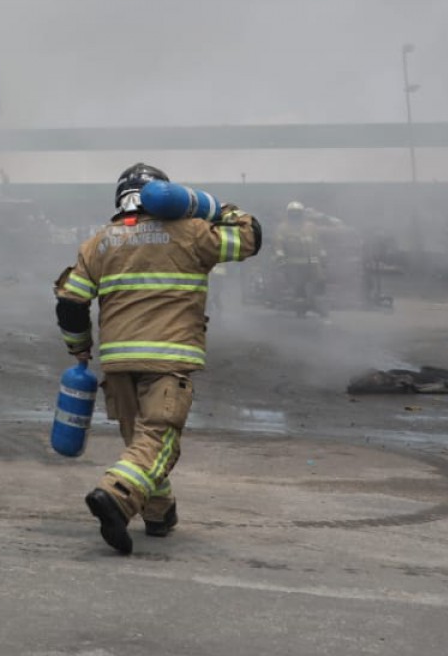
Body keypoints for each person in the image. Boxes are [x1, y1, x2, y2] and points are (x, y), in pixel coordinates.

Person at [53, 163, 261, 555]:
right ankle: (115, 494)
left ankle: (159, 514)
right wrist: (213, 206)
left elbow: (70, 303)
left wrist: (79, 347)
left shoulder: (98, 243)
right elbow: (250, 238)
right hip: (168, 357)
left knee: (142, 443)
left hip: (117, 363)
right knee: (160, 440)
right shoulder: (191, 232)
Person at [272, 202, 326, 316]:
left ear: (302, 214)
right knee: (299, 287)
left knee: (319, 282)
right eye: (293, 213)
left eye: (297, 213)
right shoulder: (283, 228)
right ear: (288, 214)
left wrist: (322, 255)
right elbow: (278, 245)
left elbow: (318, 242)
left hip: (312, 262)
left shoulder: (311, 227)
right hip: (293, 264)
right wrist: (280, 258)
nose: (295, 216)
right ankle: (301, 307)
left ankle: (317, 305)